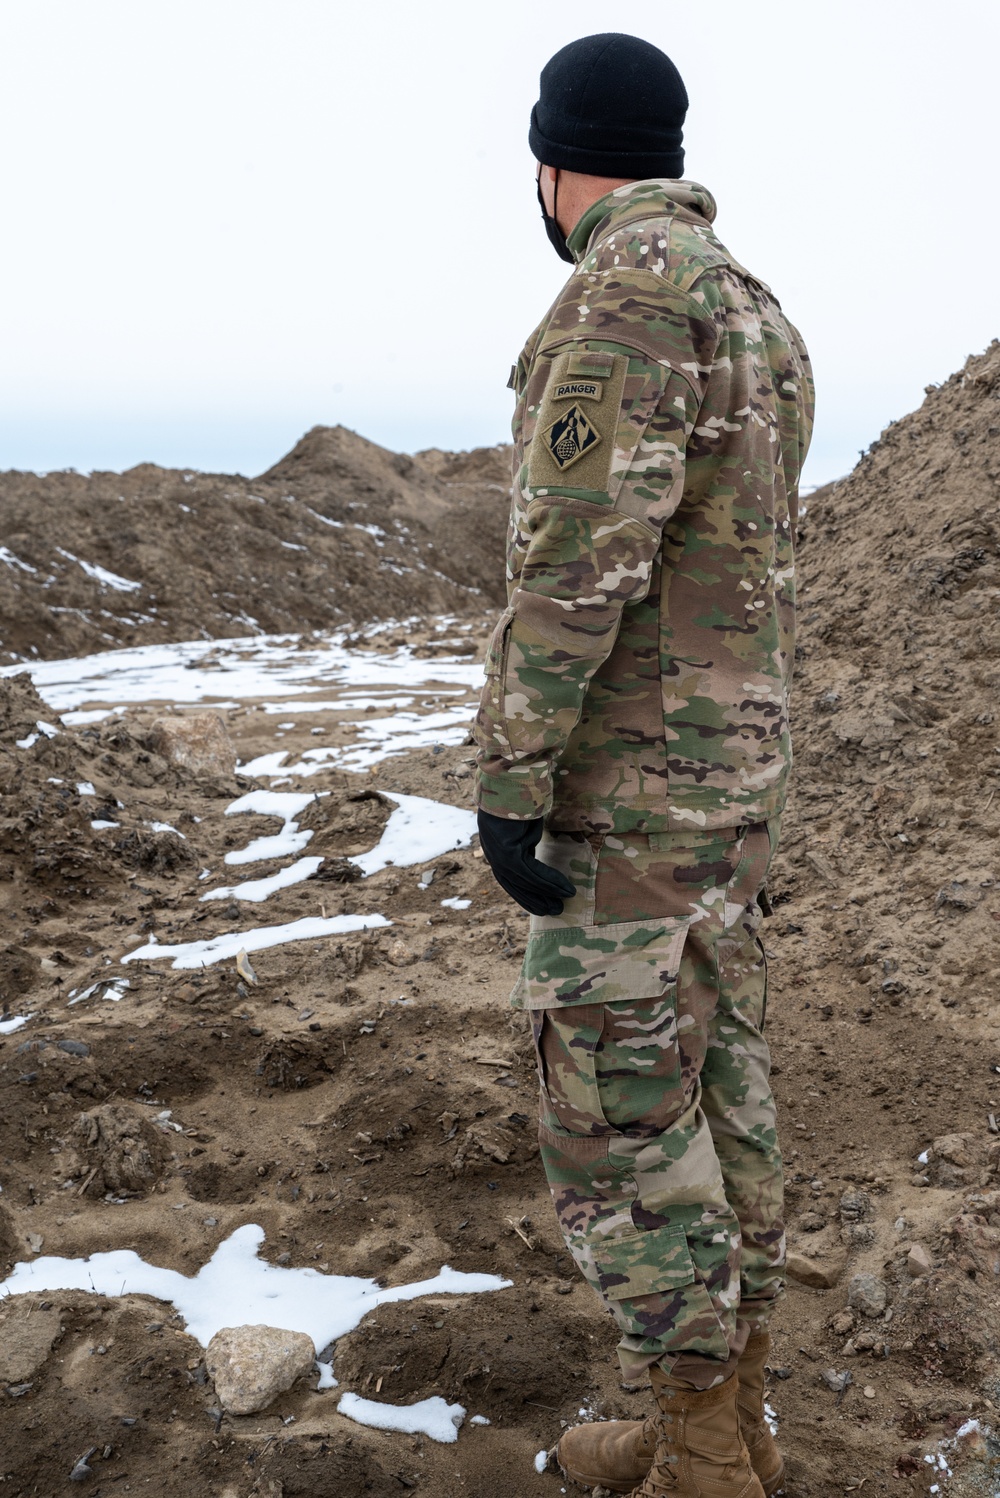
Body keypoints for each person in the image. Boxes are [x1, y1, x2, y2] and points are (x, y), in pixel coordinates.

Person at [473, 31, 814, 1498]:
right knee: (719, 1070)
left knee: (617, 1110)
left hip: (630, 792)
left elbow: (575, 561)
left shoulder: (620, 300)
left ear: (556, 163)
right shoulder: (755, 304)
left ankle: (695, 1456)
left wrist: (510, 767)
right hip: (732, 784)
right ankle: (728, 1416)